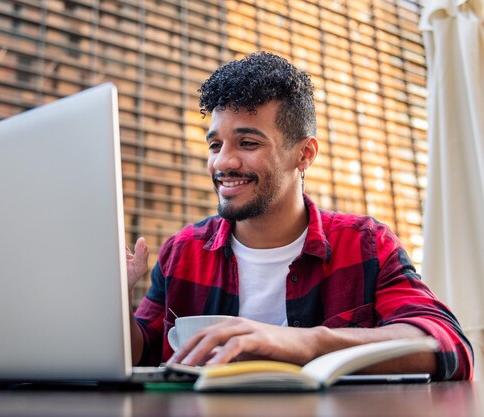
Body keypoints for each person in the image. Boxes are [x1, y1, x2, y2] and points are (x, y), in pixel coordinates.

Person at [126, 51, 473, 380]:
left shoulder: (366, 244)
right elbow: (144, 353)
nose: (222, 162)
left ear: (304, 154)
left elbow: (449, 347)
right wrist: (113, 301)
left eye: (247, 143)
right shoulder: (182, 252)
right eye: (215, 145)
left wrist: (309, 344)